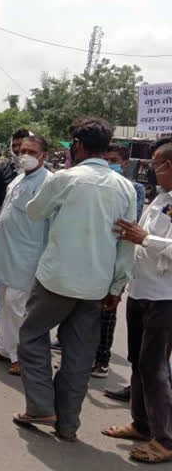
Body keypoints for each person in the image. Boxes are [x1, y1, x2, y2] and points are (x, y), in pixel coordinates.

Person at [13, 117, 136, 442]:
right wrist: (117, 286)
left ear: (77, 146)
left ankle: (40, 405)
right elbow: (127, 243)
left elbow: (35, 211)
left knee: (31, 336)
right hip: (97, 284)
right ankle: (67, 423)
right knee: (79, 355)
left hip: (56, 278)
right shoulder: (125, 188)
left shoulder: (66, 179)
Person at [101, 137, 172, 463]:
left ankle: (165, 440)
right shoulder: (159, 199)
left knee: (154, 367)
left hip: (165, 297)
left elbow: (150, 242)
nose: (151, 169)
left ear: (167, 166)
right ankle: (142, 423)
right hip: (142, 291)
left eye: (155, 163)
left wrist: (146, 238)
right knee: (138, 362)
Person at [0, 136, 52, 375]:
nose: (24, 154)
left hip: (29, 254)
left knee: (19, 304)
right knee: (3, 298)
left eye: (31, 151)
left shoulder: (49, 183)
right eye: (22, 150)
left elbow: (51, 223)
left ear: (44, 156)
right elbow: (5, 215)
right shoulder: (18, 179)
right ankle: (3, 347)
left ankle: (23, 356)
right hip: (5, 249)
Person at [91, 144, 149, 378]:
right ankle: (80, 354)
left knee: (107, 310)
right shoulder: (98, 184)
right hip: (93, 252)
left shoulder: (133, 188)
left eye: (114, 159)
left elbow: (127, 224)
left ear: (124, 163)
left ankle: (101, 359)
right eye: (106, 159)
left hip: (117, 255)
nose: (110, 163)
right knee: (85, 309)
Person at [0, 128, 31, 340]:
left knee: (19, 289)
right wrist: (4, 220)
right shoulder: (4, 167)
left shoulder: (42, 174)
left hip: (26, 239)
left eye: (24, 147)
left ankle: (14, 334)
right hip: (0, 232)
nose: (19, 150)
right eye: (16, 146)